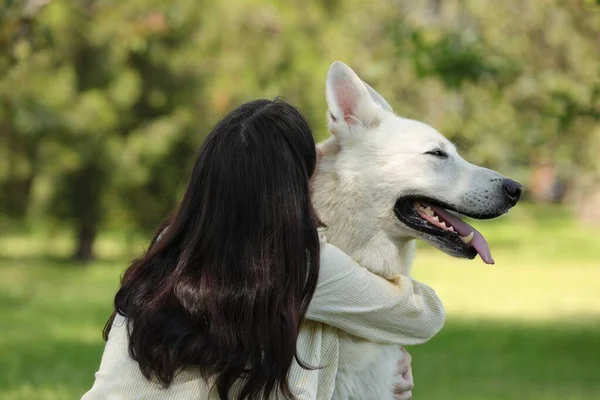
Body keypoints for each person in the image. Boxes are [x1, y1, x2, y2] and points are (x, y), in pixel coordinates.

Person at [82, 99, 444, 400]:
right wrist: (387, 354)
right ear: (292, 185)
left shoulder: (168, 251)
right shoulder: (302, 266)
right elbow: (423, 316)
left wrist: (379, 363)